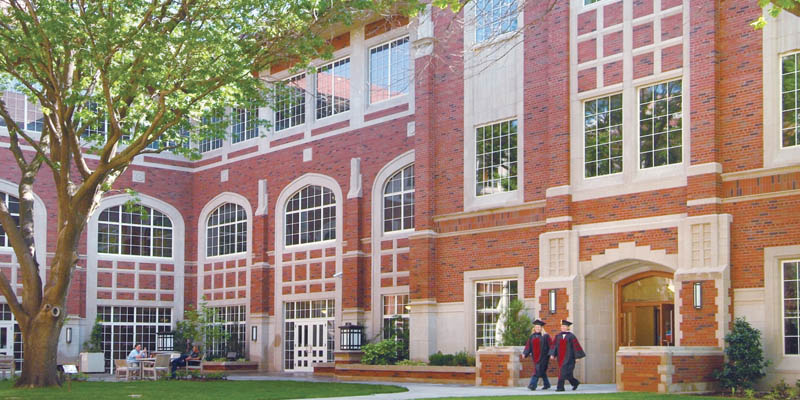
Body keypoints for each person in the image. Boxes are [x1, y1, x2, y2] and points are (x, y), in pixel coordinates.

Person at [549, 319, 585, 392]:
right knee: (568, 374)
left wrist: (577, 357)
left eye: (565, 326)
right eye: (562, 326)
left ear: (568, 327)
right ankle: (575, 383)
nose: (563, 327)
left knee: (563, 372)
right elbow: (554, 346)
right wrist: (552, 354)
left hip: (570, 358)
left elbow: (576, 346)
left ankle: (560, 387)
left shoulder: (571, 336)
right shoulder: (558, 336)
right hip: (561, 358)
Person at [522, 319, 550, 391]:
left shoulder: (546, 336)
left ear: (541, 328)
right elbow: (528, 346)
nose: (537, 328)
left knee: (537, 370)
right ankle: (547, 384)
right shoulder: (532, 336)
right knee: (542, 371)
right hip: (535, 357)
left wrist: (552, 354)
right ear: (534, 328)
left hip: (544, 357)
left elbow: (551, 345)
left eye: (539, 327)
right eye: (536, 327)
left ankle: (532, 385)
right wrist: (525, 353)